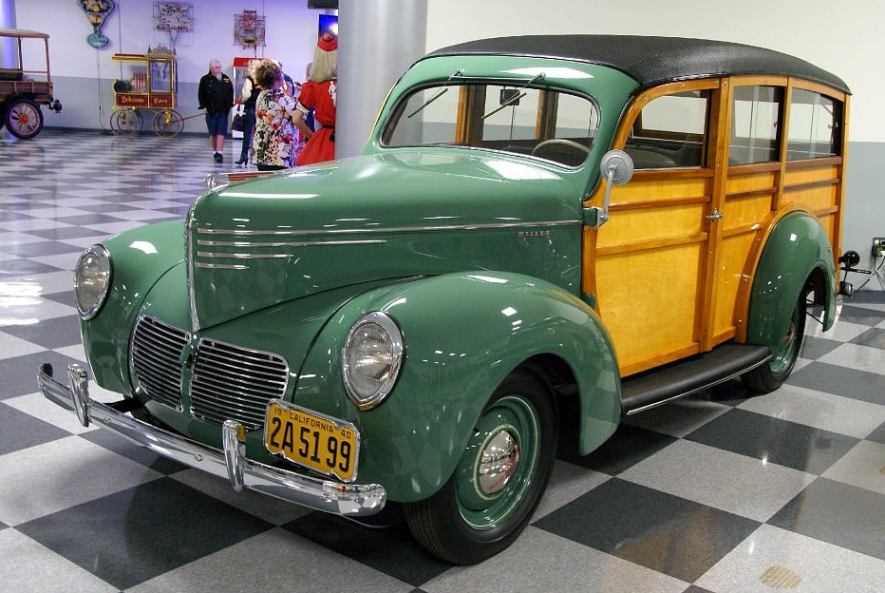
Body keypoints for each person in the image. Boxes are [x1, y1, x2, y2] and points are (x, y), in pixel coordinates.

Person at [293, 33, 337, 165]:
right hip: (349, 139)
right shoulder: (349, 84)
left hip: (325, 140)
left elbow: (296, 119)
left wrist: (313, 138)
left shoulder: (313, 86)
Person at [251, 58, 300, 171]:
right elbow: (299, 115)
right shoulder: (281, 97)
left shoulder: (261, 96)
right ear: (279, 77)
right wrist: (294, 95)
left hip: (262, 151)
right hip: (279, 155)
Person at [197, 59, 234, 163]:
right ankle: (214, 152)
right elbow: (201, 94)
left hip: (223, 111)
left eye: (220, 67)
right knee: (213, 133)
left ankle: (220, 152)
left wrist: (229, 105)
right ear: (211, 69)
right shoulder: (205, 79)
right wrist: (203, 106)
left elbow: (230, 92)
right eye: (217, 68)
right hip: (211, 111)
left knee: (221, 131)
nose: (219, 69)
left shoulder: (226, 78)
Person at [235, 60, 261, 165]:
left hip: (250, 108)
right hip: (261, 109)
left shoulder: (249, 79)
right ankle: (258, 156)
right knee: (259, 132)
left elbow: (246, 95)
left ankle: (244, 155)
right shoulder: (262, 79)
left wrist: (241, 100)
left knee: (248, 132)